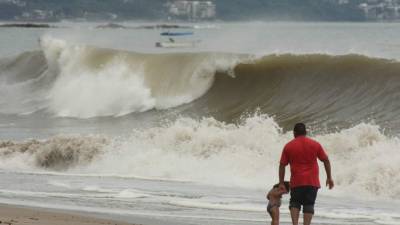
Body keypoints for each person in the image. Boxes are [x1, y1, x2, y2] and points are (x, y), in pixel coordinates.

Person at [279, 123, 334, 225]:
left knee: (295, 203)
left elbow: (282, 165)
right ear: (306, 132)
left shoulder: (288, 146)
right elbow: (326, 160)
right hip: (312, 181)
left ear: (294, 133)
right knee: (309, 204)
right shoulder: (315, 144)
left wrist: (281, 183)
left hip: (297, 181)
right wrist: (329, 177)